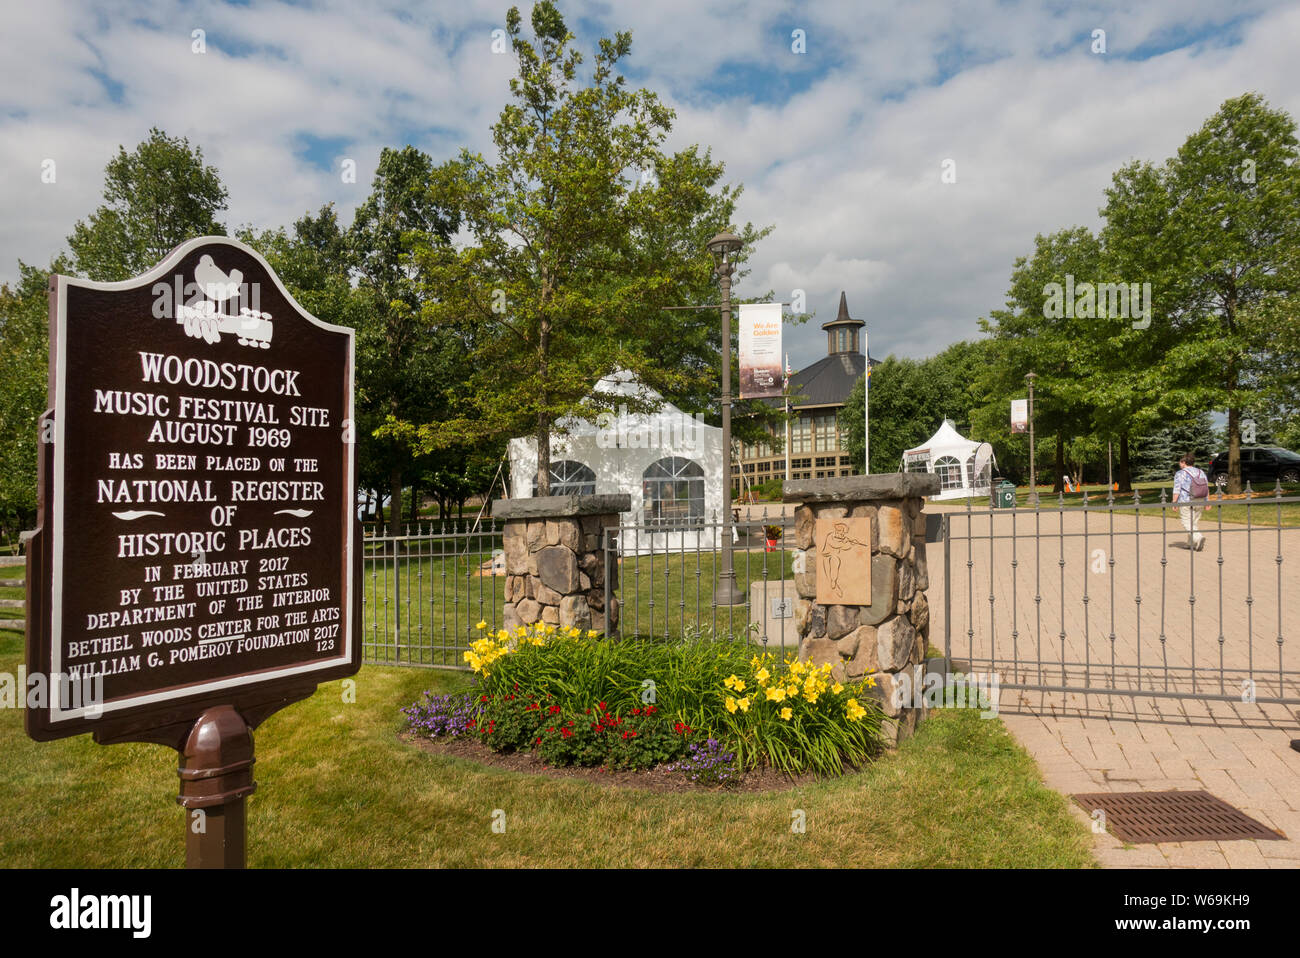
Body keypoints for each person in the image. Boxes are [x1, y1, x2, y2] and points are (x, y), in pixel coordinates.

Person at [1173, 452, 1209, 551]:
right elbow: (1206, 487)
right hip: (1200, 499)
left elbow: (1177, 489)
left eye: (1180, 462)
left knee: (1186, 522)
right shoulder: (1200, 472)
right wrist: (1207, 501)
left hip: (1186, 500)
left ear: (1183, 462)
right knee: (1194, 522)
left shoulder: (1180, 473)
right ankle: (1190, 544)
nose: (1179, 464)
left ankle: (1198, 538)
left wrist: (1174, 502)